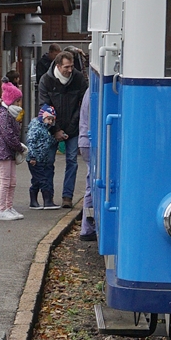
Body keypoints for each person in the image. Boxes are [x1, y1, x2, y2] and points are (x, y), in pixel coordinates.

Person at [38, 49, 88, 208]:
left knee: (72, 161)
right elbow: (44, 107)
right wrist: (56, 129)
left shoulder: (79, 79)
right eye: (66, 67)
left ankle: (67, 196)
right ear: (58, 66)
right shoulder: (46, 80)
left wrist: (72, 126)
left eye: (71, 66)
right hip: (52, 128)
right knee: (48, 162)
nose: (70, 70)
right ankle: (48, 197)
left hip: (73, 128)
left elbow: (83, 105)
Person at [0, 84, 28, 221]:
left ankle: (9, 206)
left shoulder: (8, 114)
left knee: (12, 181)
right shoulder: (3, 115)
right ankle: (2, 209)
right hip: (3, 152)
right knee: (6, 181)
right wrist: (20, 147)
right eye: (17, 101)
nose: (19, 104)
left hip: (8, 152)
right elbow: (9, 135)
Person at [26, 104, 59, 209]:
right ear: (42, 117)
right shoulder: (36, 127)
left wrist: (56, 140)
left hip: (42, 158)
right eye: (48, 119)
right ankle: (47, 201)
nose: (50, 122)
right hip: (35, 159)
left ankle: (33, 201)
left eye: (52, 120)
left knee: (37, 180)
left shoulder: (45, 129)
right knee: (43, 179)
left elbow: (46, 142)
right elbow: (31, 142)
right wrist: (32, 157)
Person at [78, 86, 96, 239]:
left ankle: (87, 226)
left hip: (84, 140)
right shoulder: (93, 92)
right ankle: (87, 228)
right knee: (91, 183)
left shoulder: (88, 91)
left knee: (90, 182)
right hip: (89, 142)